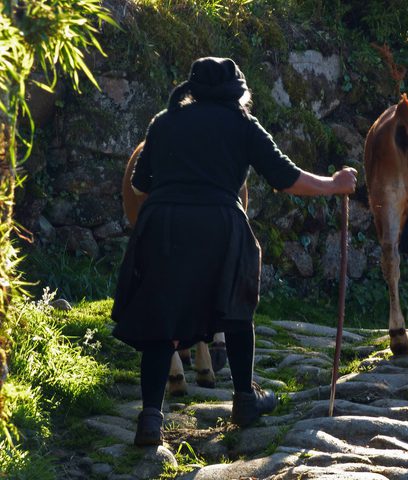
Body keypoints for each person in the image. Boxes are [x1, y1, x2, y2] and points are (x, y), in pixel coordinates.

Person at [111, 57, 357, 446]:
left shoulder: (163, 122)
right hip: (219, 225)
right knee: (237, 304)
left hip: (163, 226)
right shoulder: (241, 123)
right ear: (238, 92)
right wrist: (335, 183)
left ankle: (150, 420)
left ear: (191, 88)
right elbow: (286, 178)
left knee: (163, 317)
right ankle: (244, 399)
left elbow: (140, 186)